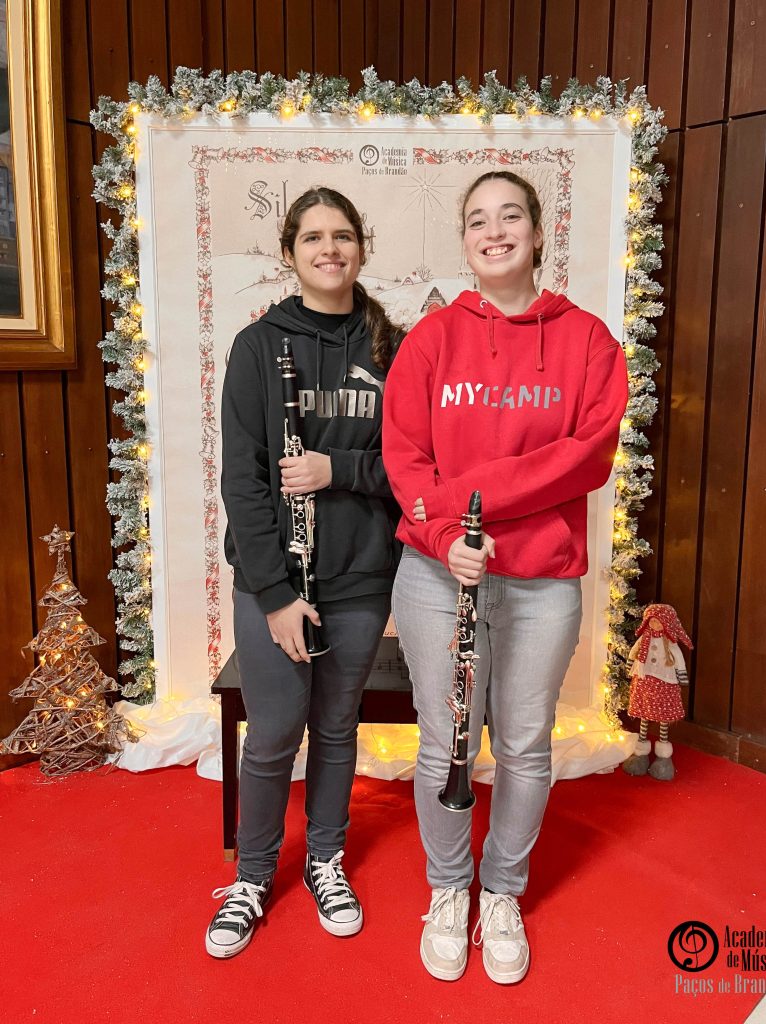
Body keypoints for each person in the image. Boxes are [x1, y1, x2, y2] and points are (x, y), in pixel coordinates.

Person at [383, 171, 628, 984]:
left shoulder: (587, 341)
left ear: (536, 231)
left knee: (523, 745)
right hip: (436, 576)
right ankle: (448, 888)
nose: (494, 232)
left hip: (541, 582)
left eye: (509, 216)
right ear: (464, 239)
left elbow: (584, 458)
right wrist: (445, 534)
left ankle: (501, 892)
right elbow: (403, 458)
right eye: (478, 220)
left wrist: (463, 500)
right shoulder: (430, 340)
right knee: (443, 743)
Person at [206, 187, 402, 958]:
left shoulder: (393, 346)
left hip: (359, 574)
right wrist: (276, 595)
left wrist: (336, 469)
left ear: (361, 247)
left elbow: (412, 468)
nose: (329, 249)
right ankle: (253, 876)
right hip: (275, 583)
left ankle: (325, 859)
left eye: (342, 235)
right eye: (313, 237)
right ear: (288, 252)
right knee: (273, 732)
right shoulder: (260, 347)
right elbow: (243, 482)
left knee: (337, 725)